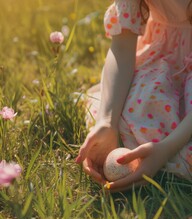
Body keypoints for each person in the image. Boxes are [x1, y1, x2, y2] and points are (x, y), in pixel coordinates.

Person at [76, 0, 192, 192]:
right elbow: (122, 48)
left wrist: (165, 149)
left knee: (166, 140)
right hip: (162, 58)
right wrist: (106, 121)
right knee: (130, 119)